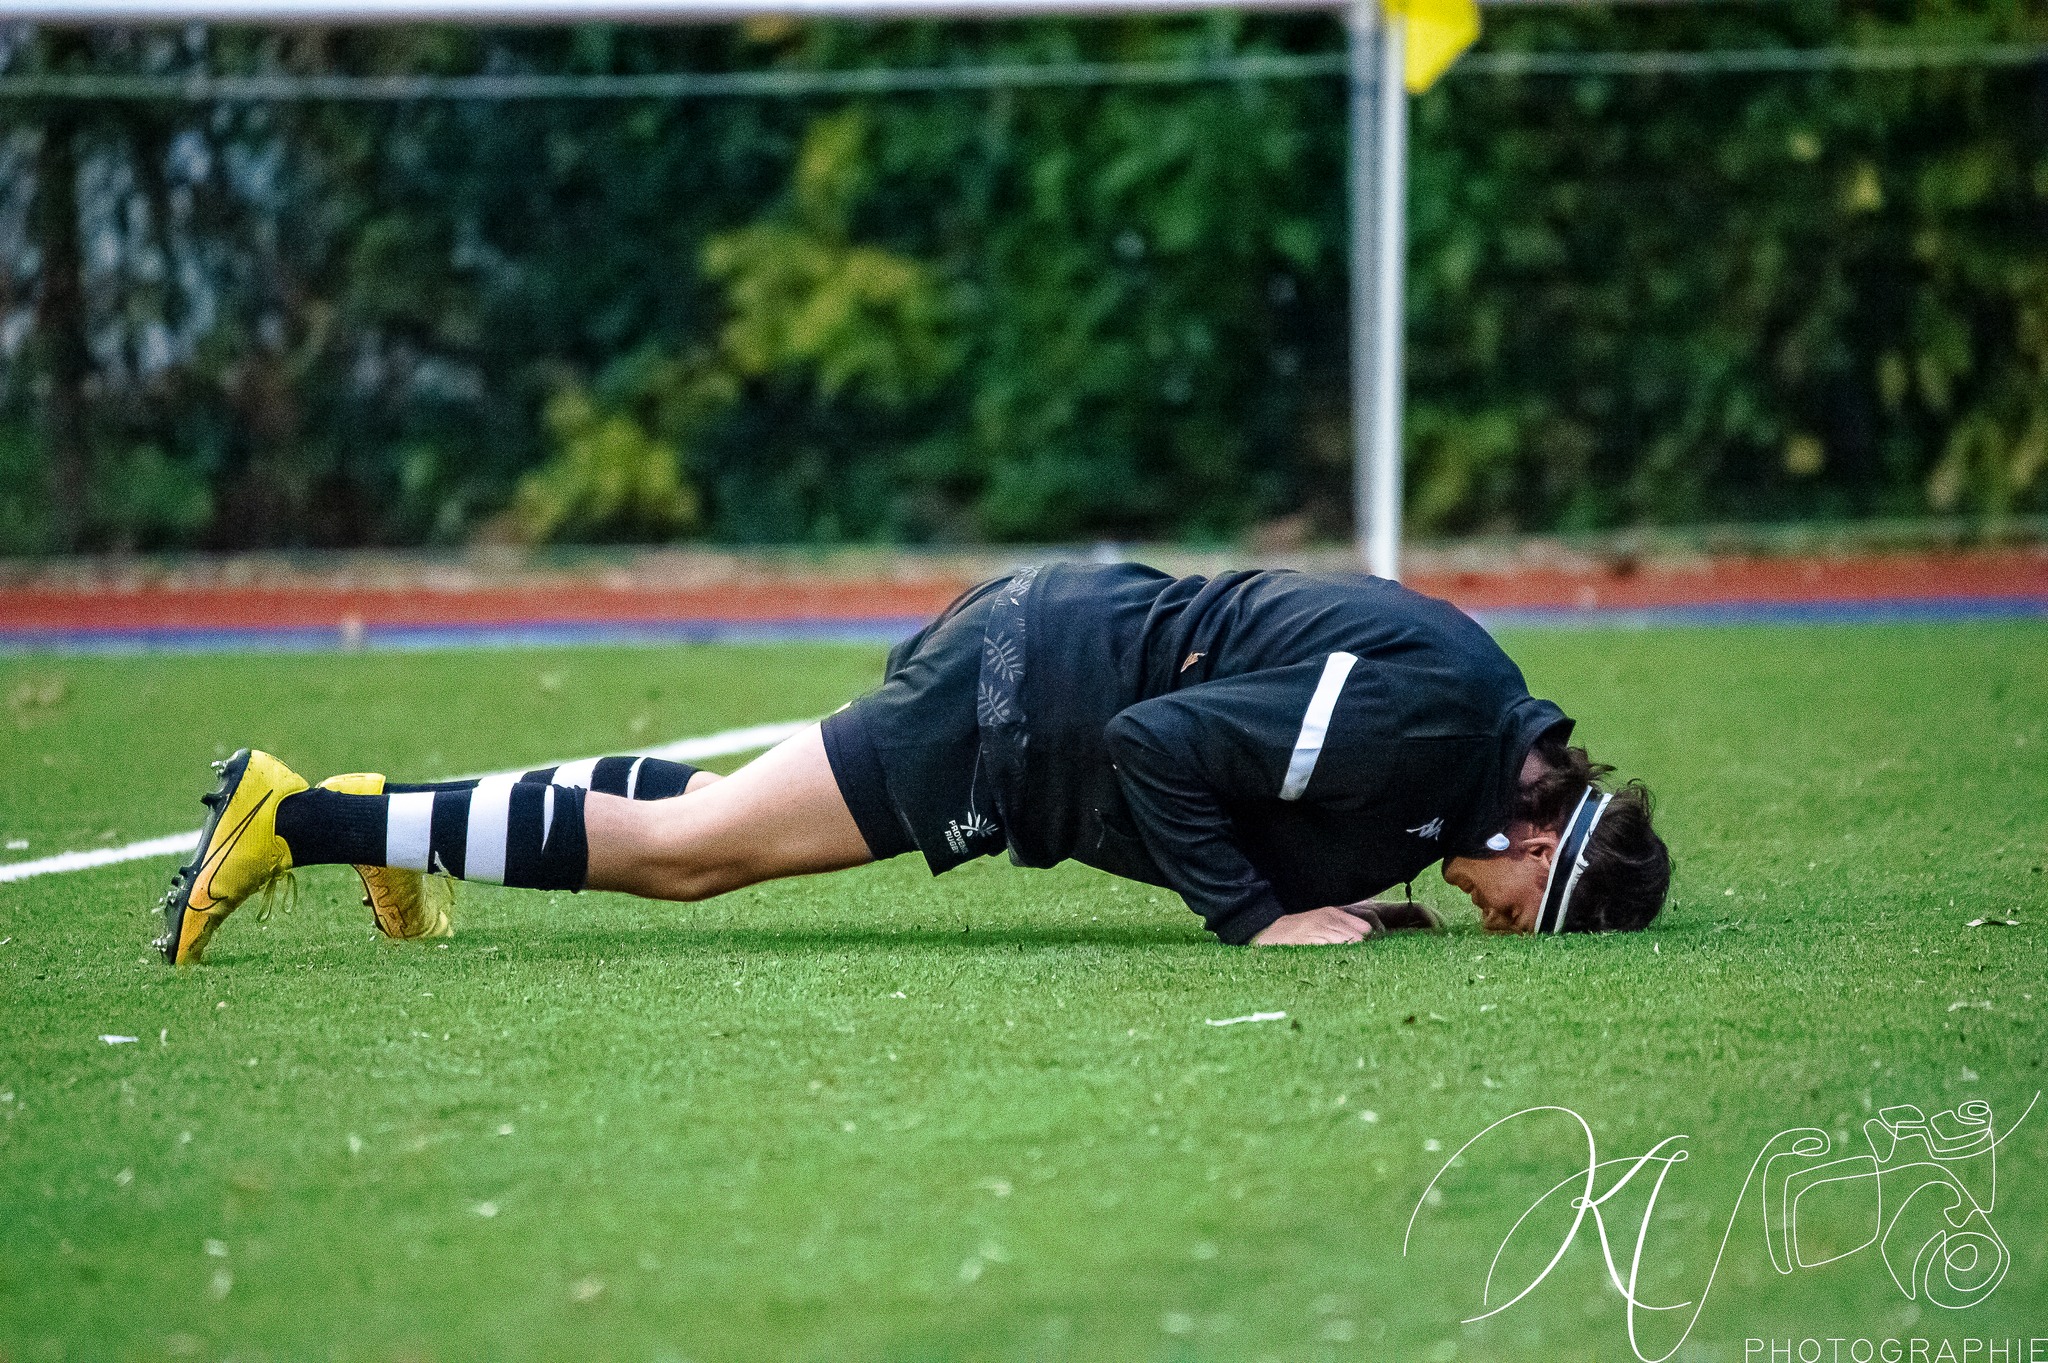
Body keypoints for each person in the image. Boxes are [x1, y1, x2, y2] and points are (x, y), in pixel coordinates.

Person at [155, 562, 1672, 965]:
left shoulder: (1472, 727)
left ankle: (379, 834)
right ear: (1544, 846)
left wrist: (1340, 891)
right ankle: (298, 815)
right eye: (1512, 908)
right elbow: (1159, 746)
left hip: (1048, 658)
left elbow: (1282, 769)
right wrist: (1258, 920)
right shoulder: (1434, 730)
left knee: (696, 811)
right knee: (702, 854)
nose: (1489, 912)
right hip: (1035, 700)